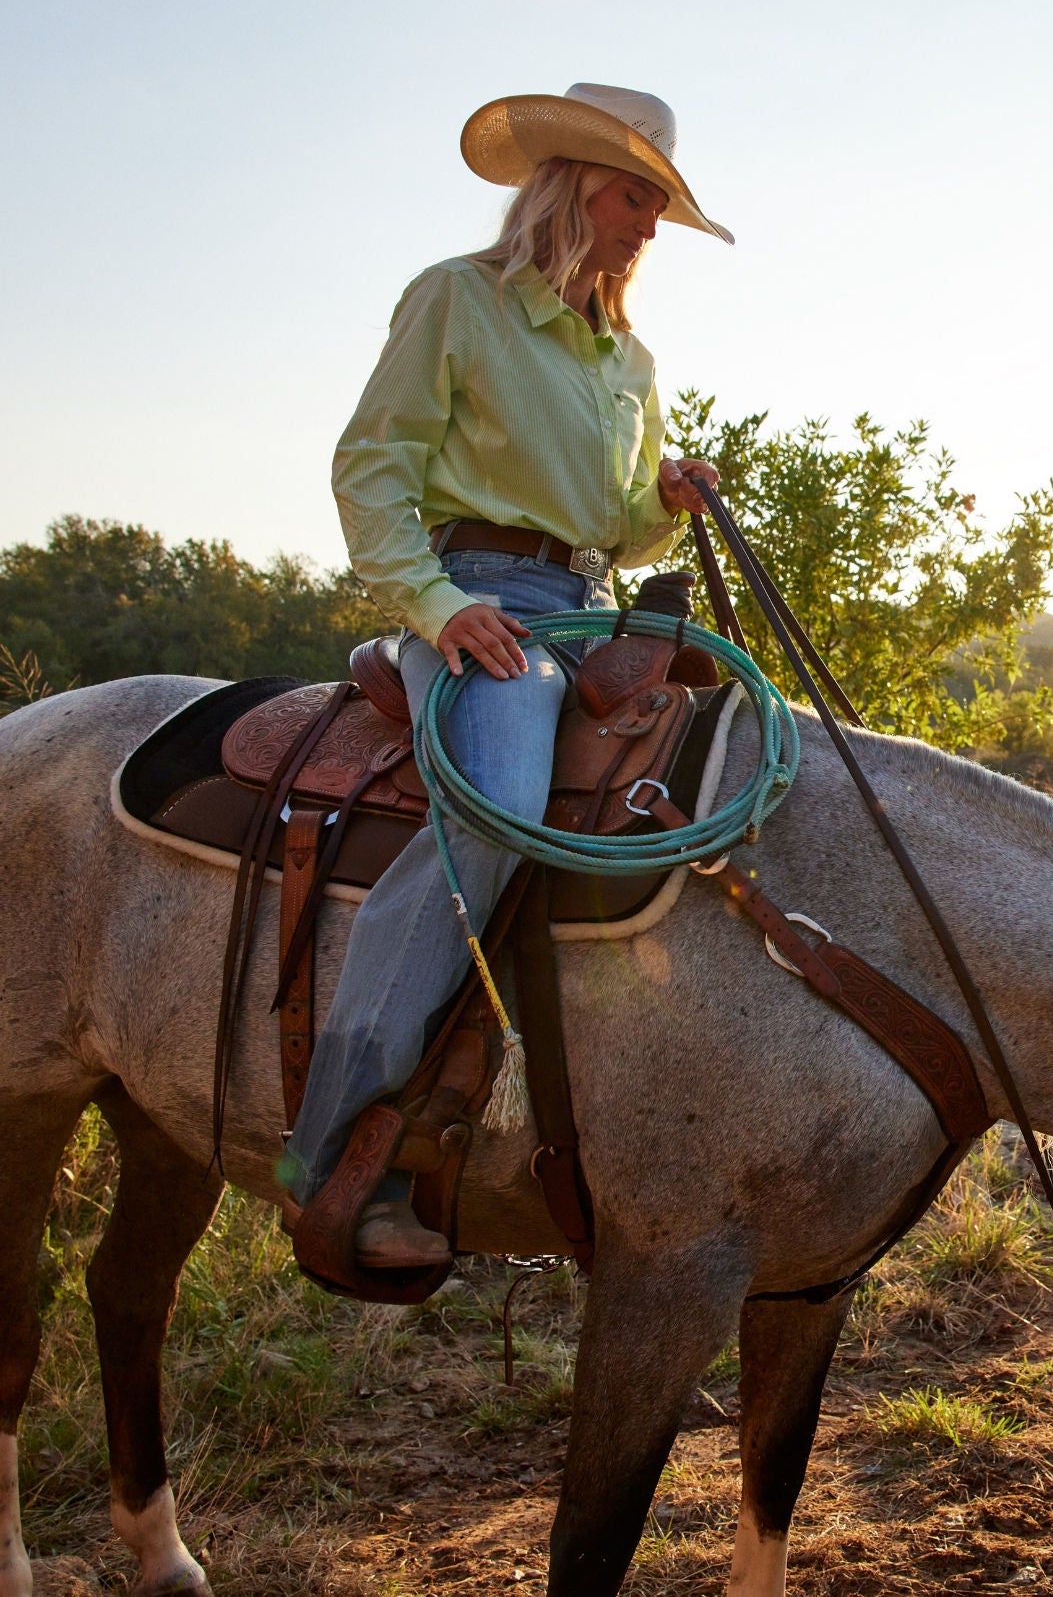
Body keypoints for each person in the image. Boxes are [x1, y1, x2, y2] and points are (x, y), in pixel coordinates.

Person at [279, 83, 728, 1268]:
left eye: (658, 204)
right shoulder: (456, 301)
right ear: (574, 182)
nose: (646, 224)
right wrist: (437, 603)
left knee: (727, 773)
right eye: (636, 195)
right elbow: (372, 468)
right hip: (472, 600)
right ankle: (331, 1152)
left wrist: (665, 502)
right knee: (496, 814)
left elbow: (616, 528)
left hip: (584, 612)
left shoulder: (627, 354)